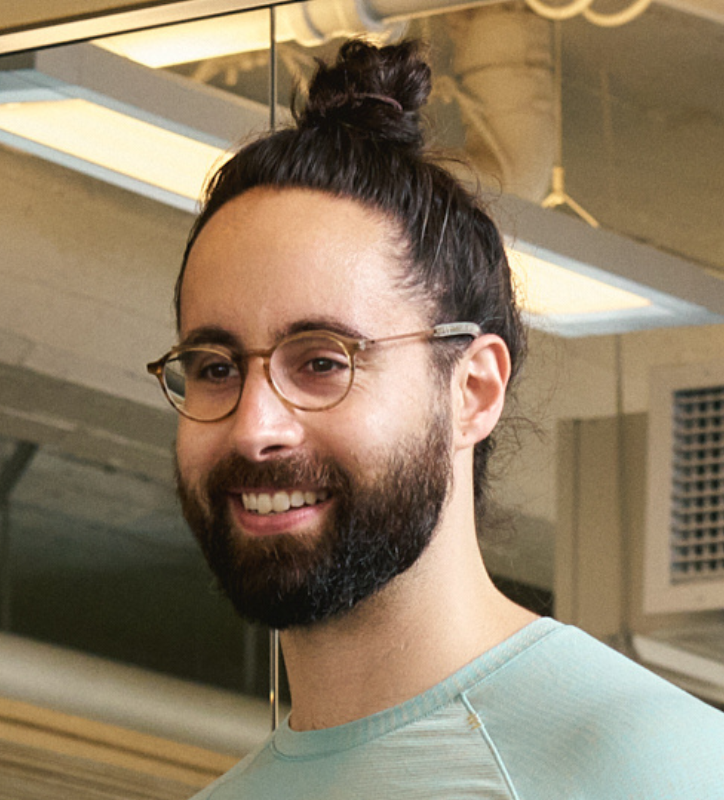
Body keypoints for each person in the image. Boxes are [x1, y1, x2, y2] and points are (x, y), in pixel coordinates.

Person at [147, 38, 724, 799]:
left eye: (322, 362)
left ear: (473, 391)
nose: (257, 426)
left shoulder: (648, 765)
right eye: (218, 368)